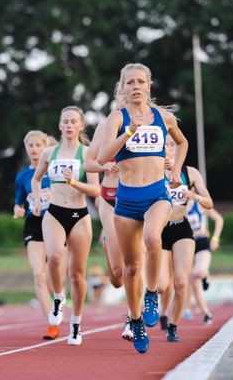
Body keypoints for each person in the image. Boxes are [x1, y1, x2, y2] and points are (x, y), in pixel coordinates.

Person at [97, 63, 188, 353]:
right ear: (122, 88)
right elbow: (101, 157)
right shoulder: (116, 118)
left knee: (152, 239)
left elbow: (182, 142)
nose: (136, 87)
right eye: (130, 83)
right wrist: (127, 134)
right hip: (126, 200)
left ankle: (152, 295)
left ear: (149, 85)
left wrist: (176, 170)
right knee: (131, 268)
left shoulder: (164, 117)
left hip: (156, 194)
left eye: (140, 82)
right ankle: (135, 320)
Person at [32, 105, 100, 346]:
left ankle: (76, 324)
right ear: (60, 126)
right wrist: (38, 199)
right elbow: (36, 177)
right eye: (65, 121)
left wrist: (75, 182)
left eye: (74, 121)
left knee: (78, 276)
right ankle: (59, 298)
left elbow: (96, 190)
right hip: (55, 211)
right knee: (55, 256)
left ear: (81, 125)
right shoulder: (49, 152)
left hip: (80, 215)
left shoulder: (87, 152)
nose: (69, 125)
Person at [84, 114, 136, 341]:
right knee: (116, 276)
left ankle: (133, 320)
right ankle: (107, 243)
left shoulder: (150, 123)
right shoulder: (106, 126)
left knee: (134, 263)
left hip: (137, 197)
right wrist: (105, 166)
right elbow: (89, 162)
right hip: (109, 197)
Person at [157, 135, 213, 342]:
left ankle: (173, 325)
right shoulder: (151, 171)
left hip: (181, 228)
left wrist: (195, 196)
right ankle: (158, 308)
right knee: (163, 284)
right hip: (159, 230)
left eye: (172, 145)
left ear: (179, 148)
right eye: (164, 144)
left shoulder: (190, 173)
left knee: (181, 282)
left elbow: (209, 202)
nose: (168, 149)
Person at [14, 129, 67, 340]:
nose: (34, 149)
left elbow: (69, 193)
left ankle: (59, 299)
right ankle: (51, 323)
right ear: (27, 148)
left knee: (57, 277)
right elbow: (18, 202)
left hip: (56, 221)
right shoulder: (23, 176)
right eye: (31, 146)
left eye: (38, 145)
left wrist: (52, 194)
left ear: (46, 146)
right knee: (38, 274)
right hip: (34, 224)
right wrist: (17, 209)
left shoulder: (55, 169)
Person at [186, 201, 223, 324]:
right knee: (193, 282)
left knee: (199, 272)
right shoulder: (178, 205)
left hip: (202, 241)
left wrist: (215, 238)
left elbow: (219, 219)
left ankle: (205, 275)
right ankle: (206, 313)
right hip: (186, 244)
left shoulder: (199, 203)